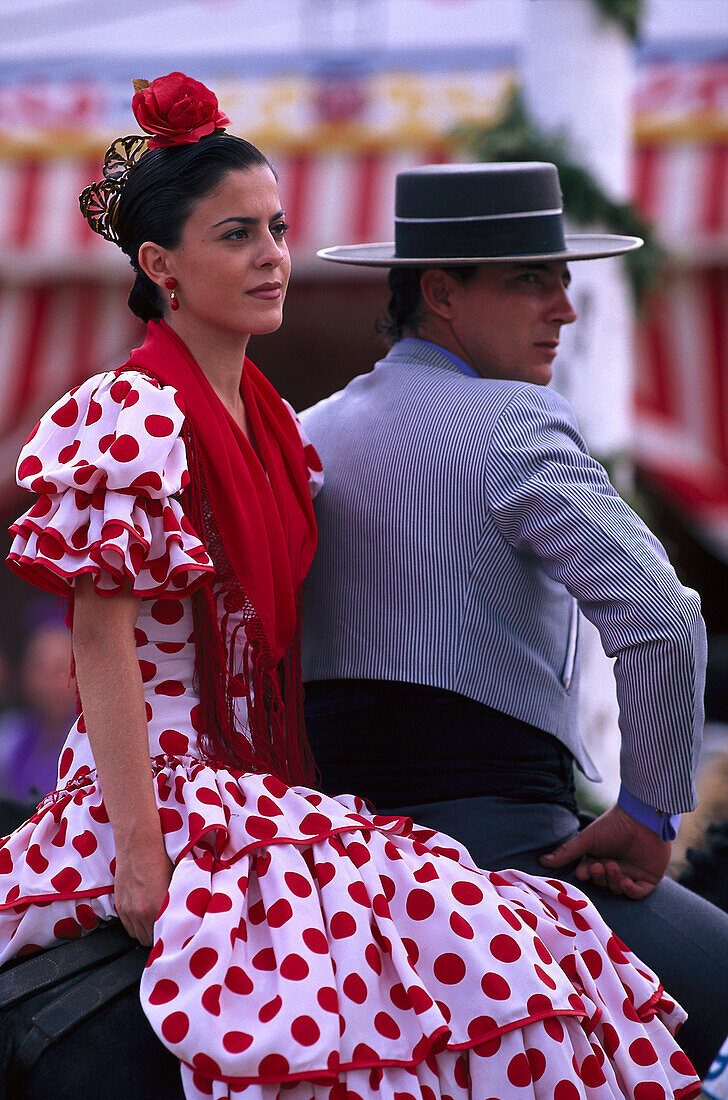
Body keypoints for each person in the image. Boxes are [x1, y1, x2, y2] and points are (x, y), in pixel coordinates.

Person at [0, 78, 701, 1100]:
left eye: (278, 229)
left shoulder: (293, 427)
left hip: (281, 788)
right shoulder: (130, 413)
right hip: (170, 794)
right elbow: (104, 646)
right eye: (236, 233)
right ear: (159, 265)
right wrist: (142, 857)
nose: (271, 254)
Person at [300, 160, 728, 1077]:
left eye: (564, 279)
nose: (565, 309)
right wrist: (649, 815)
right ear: (442, 292)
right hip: (504, 851)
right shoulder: (517, 423)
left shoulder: (308, 432)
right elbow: (663, 618)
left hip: (319, 868)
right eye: (530, 279)